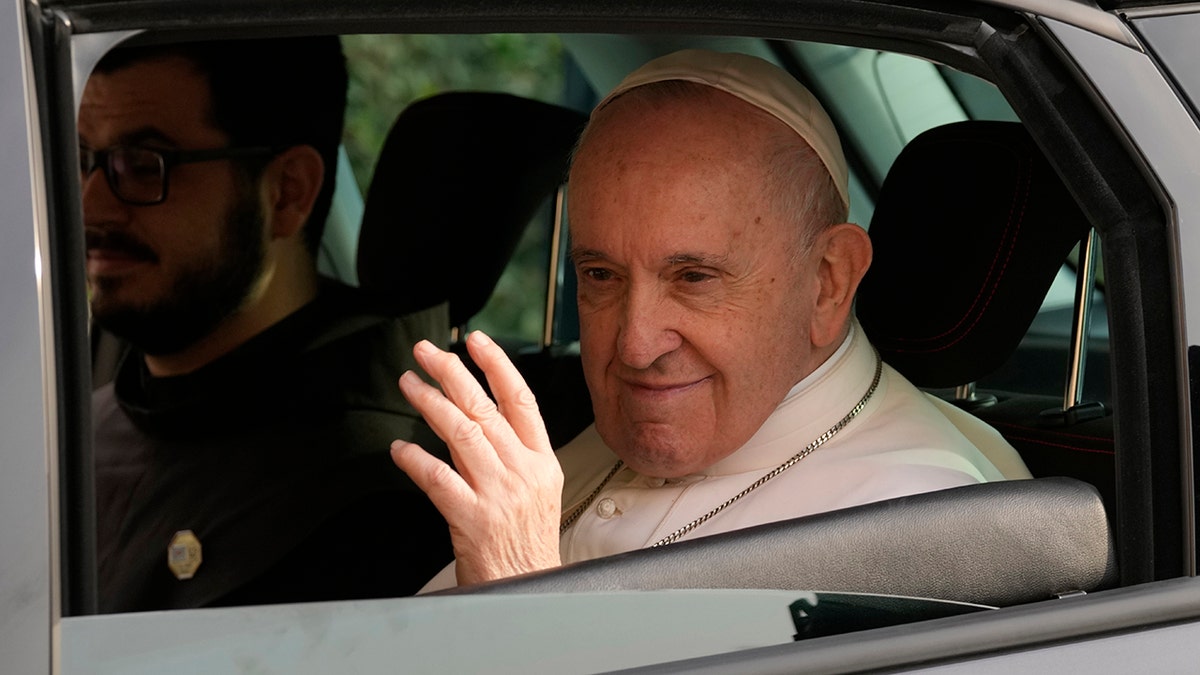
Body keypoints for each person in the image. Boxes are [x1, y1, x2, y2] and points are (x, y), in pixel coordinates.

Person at [390, 49, 1031, 591]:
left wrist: (517, 589)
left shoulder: (925, 526)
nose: (635, 348)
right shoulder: (596, 440)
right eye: (602, 276)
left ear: (828, 282)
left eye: (694, 278)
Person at [84, 36, 454, 611]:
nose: (91, 206)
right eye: (84, 160)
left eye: (142, 165)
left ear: (286, 193)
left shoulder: (377, 501)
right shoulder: (85, 412)